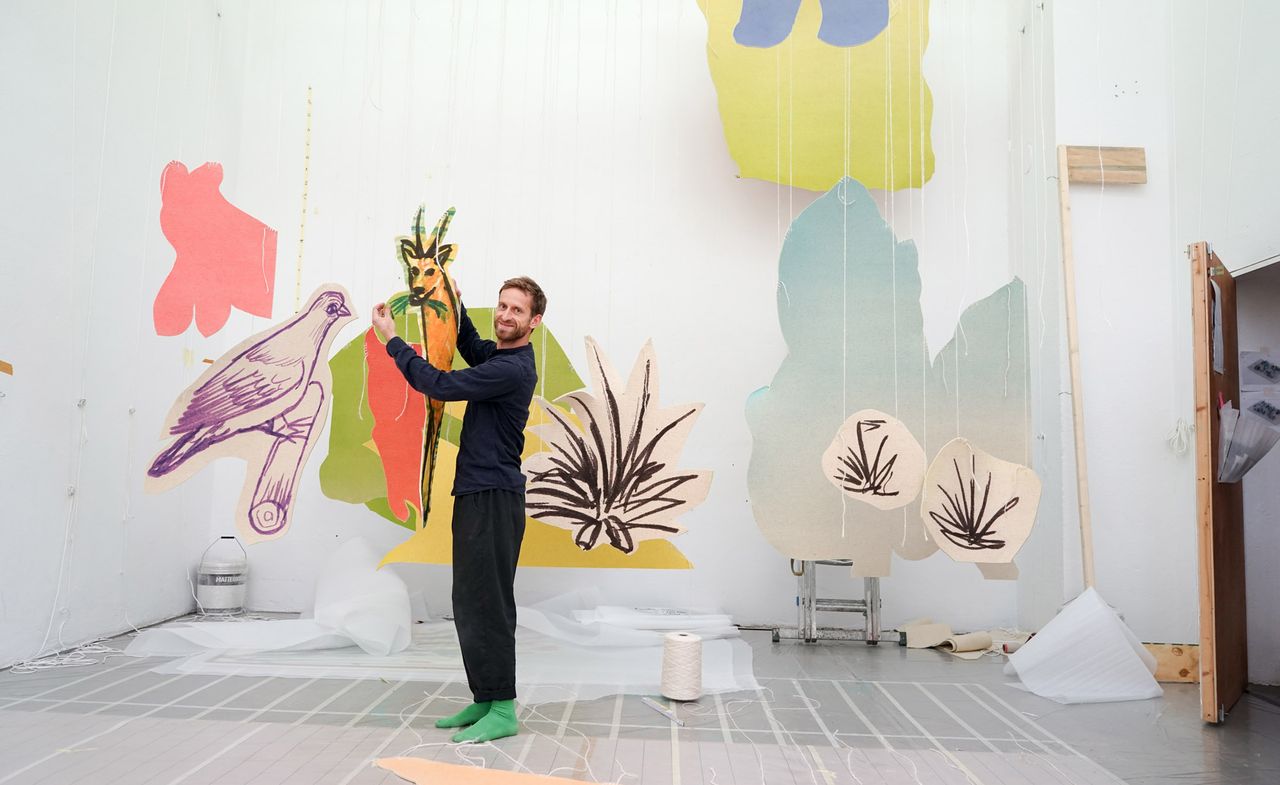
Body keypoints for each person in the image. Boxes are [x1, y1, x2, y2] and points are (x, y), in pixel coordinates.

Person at [370, 276, 545, 743]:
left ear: (535, 322)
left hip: (493, 497)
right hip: (477, 494)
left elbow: (439, 385)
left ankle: (504, 708)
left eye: (517, 311)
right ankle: (486, 697)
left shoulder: (511, 369)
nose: (506, 315)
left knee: (488, 603)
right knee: (468, 601)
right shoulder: (501, 356)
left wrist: (392, 340)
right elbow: (470, 344)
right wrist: (457, 306)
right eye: (502, 306)